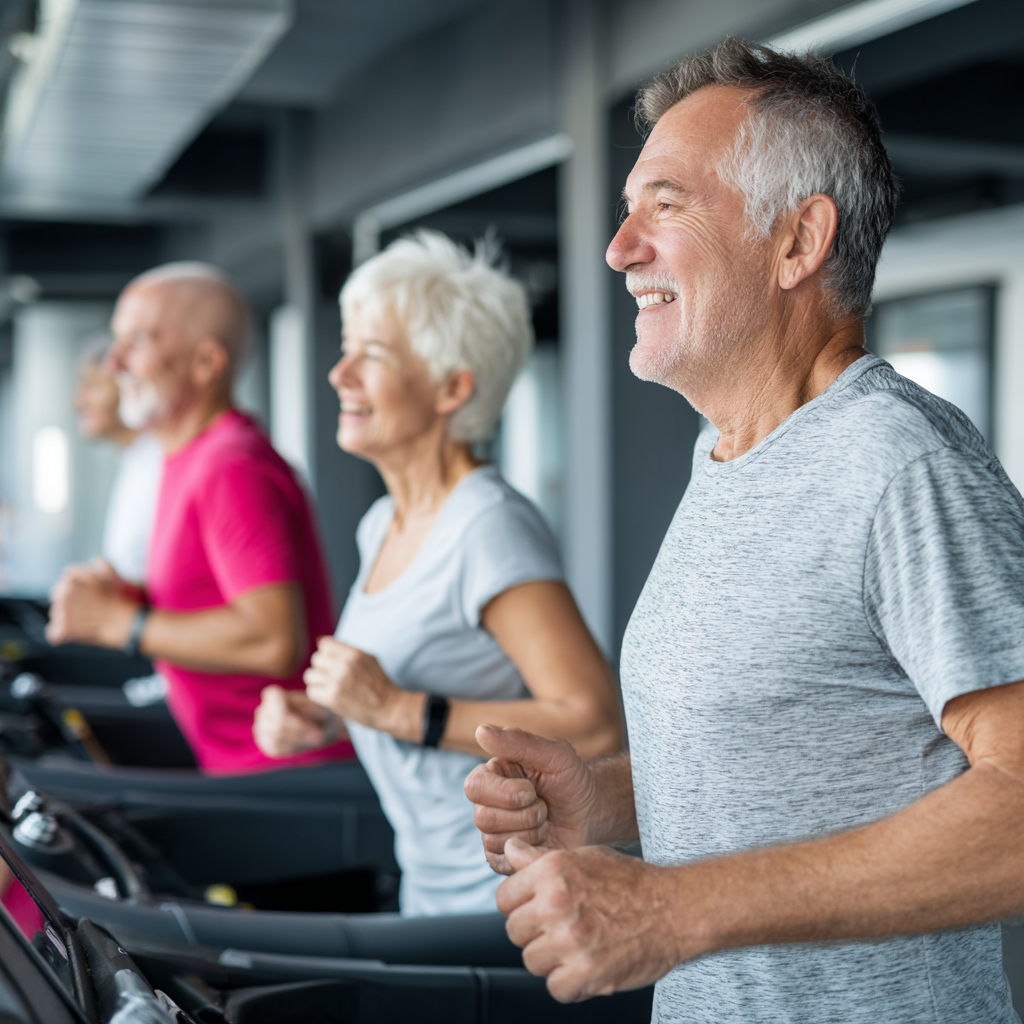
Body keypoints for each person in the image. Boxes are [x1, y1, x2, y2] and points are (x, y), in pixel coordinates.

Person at [465, 39, 1024, 1023]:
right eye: (628, 206)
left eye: (666, 204)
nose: (618, 246)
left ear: (797, 242)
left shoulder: (900, 464)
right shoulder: (728, 453)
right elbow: (803, 757)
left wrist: (677, 909)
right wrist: (602, 804)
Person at [254, 230, 622, 917]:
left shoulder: (487, 526)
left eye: (373, 355)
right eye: (345, 350)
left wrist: (393, 709)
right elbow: (420, 691)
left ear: (453, 387)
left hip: (510, 903)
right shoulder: (383, 523)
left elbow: (595, 725)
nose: (340, 374)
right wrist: (329, 719)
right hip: (429, 889)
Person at [46, 263, 352, 774]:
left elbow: (273, 640)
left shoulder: (231, 466)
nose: (115, 362)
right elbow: (212, 597)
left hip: (284, 770)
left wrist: (120, 621)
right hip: (225, 755)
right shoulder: (185, 455)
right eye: (116, 342)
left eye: (136, 342)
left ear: (207, 361)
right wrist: (127, 595)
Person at [74, 337, 163, 585]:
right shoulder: (135, 460)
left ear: (129, 386)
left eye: (91, 385)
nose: (78, 401)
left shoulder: (163, 462)